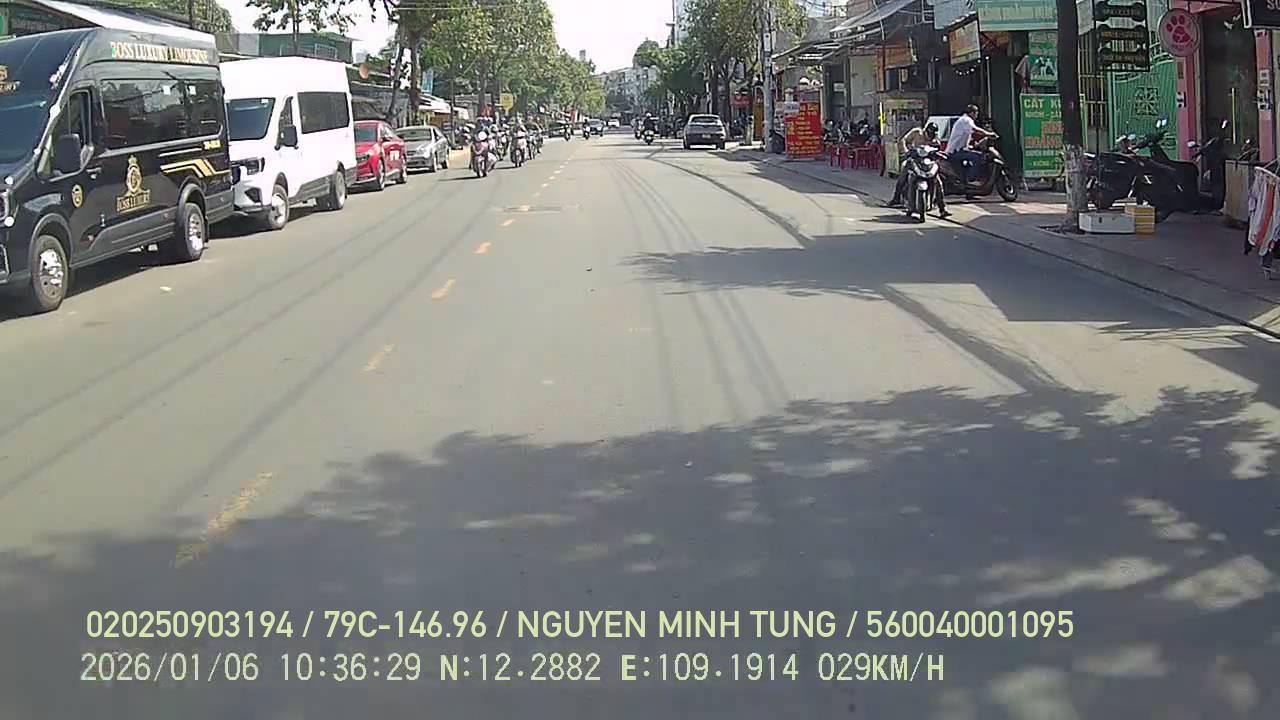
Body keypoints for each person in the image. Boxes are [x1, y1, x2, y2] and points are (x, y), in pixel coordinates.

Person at [887, 122, 948, 217]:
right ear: (925, 131)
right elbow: (904, 140)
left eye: (932, 136)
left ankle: (942, 209)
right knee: (903, 176)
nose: (929, 138)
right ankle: (896, 198)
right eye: (929, 135)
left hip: (927, 163)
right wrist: (906, 151)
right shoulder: (916, 132)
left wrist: (937, 154)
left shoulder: (935, 140)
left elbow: (937, 149)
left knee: (938, 182)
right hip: (914, 160)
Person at [947, 104, 994, 184]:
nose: (977, 115)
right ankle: (971, 180)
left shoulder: (964, 120)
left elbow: (967, 135)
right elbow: (975, 129)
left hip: (960, 150)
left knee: (974, 156)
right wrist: (989, 134)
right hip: (955, 152)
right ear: (972, 113)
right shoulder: (966, 120)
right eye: (976, 113)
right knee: (977, 157)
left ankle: (967, 180)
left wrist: (973, 145)